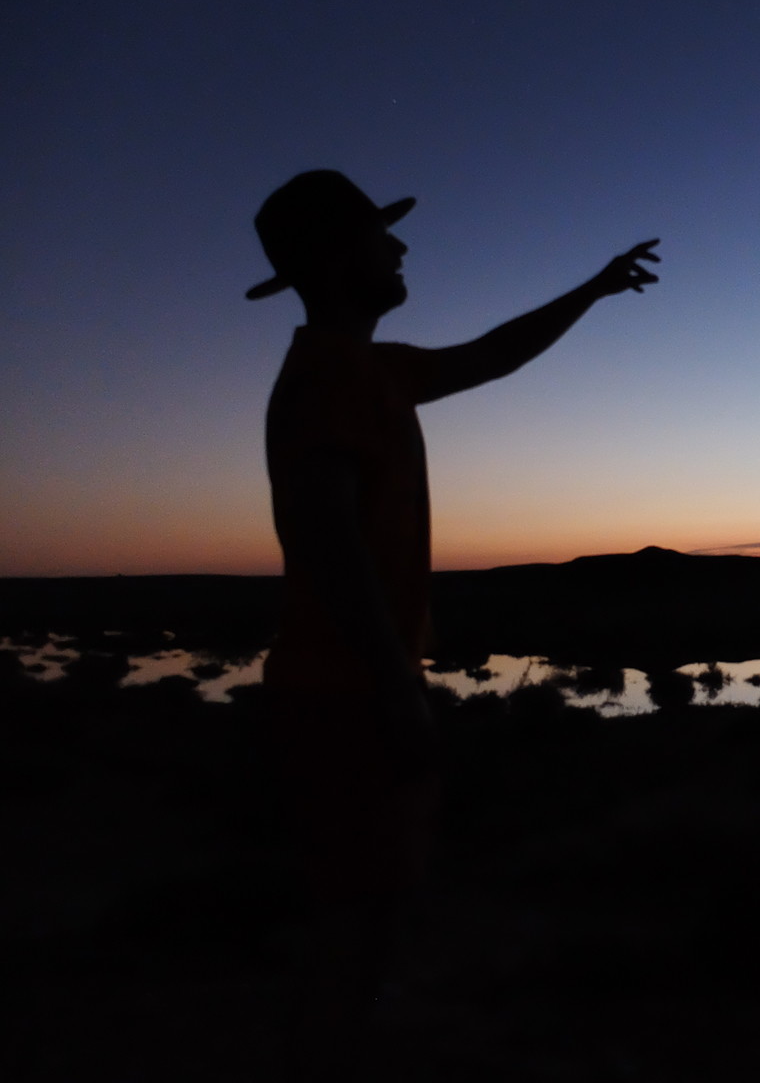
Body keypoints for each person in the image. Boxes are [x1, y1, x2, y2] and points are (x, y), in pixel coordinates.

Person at [247, 169, 659, 1075]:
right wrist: (394, 689)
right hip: (343, 694)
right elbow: (326, 543)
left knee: (376, 905)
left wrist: (593, 289)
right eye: (380, 236)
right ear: (335, 258)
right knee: (354, 918)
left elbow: (494, 354)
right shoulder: (325, 380)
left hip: (360, 687)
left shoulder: (374, 370)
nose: (400, 248)